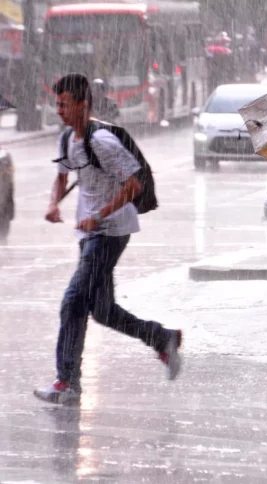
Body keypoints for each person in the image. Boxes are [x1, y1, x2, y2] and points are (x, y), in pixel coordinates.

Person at [34, 74, 182, 406]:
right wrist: (53, 203)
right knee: (102, 310)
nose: (58, 110)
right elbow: (62, 177)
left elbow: (134, 186)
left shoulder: (103, 142)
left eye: (64, 104)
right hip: (89, 234)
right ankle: (163, 338)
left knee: (73, 302)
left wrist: (99, 215)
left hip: (110, 232)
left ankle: (67, 383)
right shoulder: (67, 140)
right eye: (56, 103)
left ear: (83, 105)